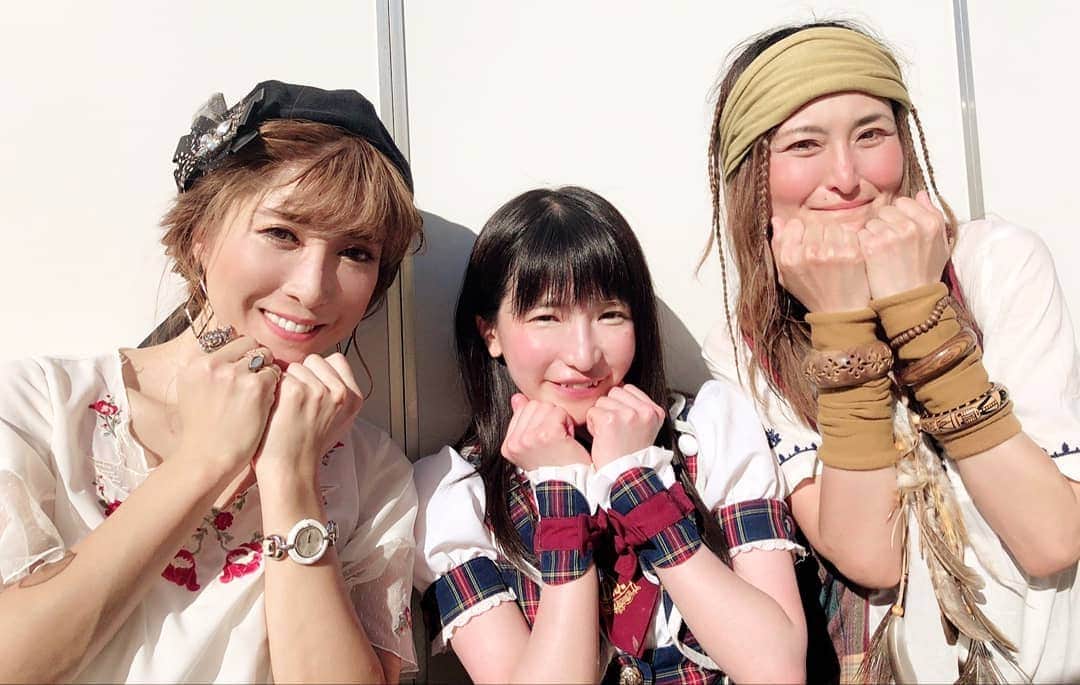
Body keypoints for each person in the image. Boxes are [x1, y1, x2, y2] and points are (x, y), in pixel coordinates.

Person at [0, 81, 423, 683]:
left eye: (356, 252)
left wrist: (290, 477)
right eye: (282, 234)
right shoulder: (39, 406)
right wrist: (204, 460)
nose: (313, 288)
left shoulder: (373, 472)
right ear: (200, 235)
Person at [700, 21, 1080, 684]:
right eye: (804, 145)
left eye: (871, 134)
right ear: (752, 175)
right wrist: (842, 327)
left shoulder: (995, 264)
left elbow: (1051, 538)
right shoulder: (747, 346)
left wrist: (919, 314)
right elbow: (875, 558)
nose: (845, 178)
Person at [413, 186, 807, 684]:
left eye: (610, 315)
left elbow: (777, 670)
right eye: (547, 317)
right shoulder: (455, 497)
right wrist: (560, 493)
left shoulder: (707, 433)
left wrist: (636, 482)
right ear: (491, 333)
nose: (584, 355)